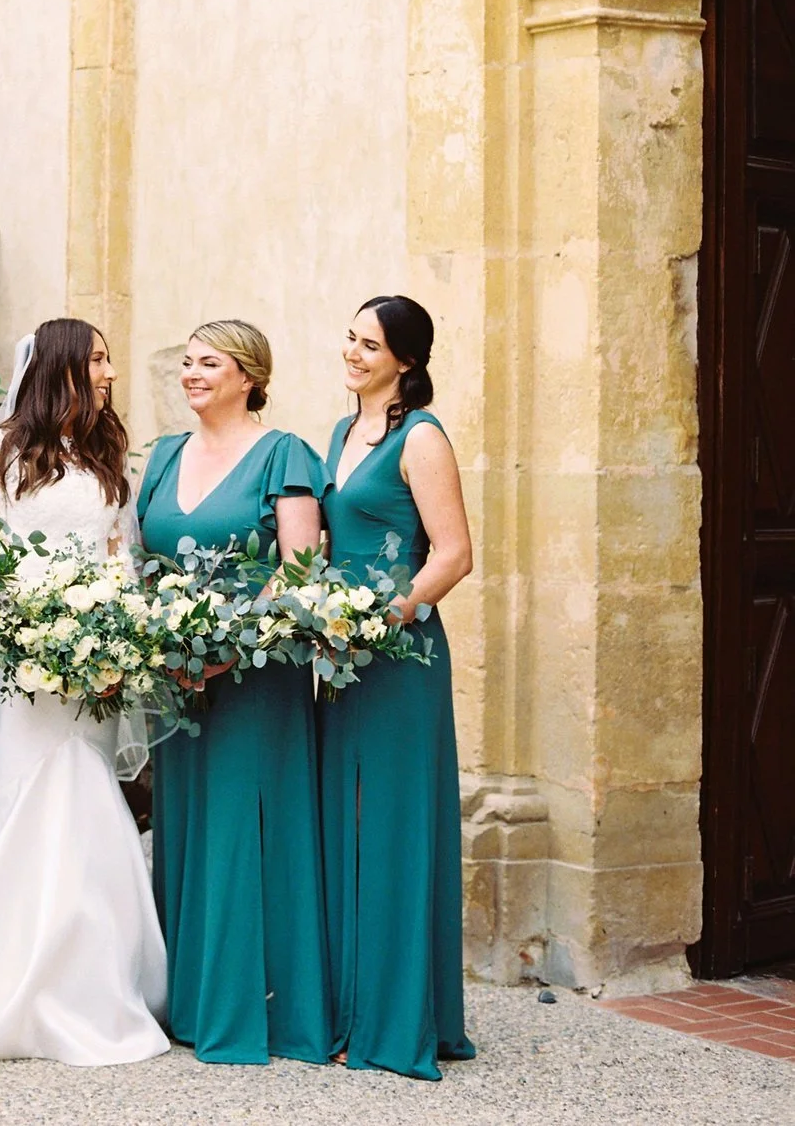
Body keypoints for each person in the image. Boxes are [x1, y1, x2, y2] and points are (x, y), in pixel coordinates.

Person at [0, 318, 169, 1064]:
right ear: (62, 366)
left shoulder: (107, 456)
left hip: (94, 658)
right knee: (25, 789)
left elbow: (117, 557)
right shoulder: (0, 448)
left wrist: (113, 632)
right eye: (98, 358)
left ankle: (94, 981)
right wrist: (39, 625)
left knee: (87, 792)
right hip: (21, 659)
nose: (109, 371)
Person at [136, 320, 330, 1065]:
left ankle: (254, 1006)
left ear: (248, 376)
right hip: (177, 679)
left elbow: (300, 569)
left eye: (207, 363)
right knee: (190, 824)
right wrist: (158, 639)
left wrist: (226, 650)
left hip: (256, 678)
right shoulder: (163, 456)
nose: (191, 374)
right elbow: (142, 564)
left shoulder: (284, 454)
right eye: (185, 362)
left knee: (248, 826)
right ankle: (191, 1000)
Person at [319, 295, 475, 1081]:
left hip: (398, 657)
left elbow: (453, 554)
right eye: (350, 338)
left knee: (391, 826)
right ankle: (350, 1006)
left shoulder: (421, 438)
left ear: (406, 361)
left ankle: (394, 1019)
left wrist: (388, 614)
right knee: (343, 829)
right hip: (335, 658)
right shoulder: (341, 434)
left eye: (370, 344)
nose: (353, 353)